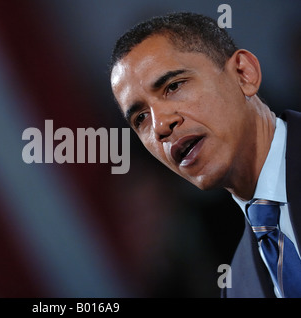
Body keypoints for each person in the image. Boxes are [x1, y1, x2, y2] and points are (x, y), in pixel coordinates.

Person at [109, 12, 301, 298]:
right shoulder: (236, 289)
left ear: (243, 74)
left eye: (173, 86)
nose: (160, 126)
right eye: (140, 118)